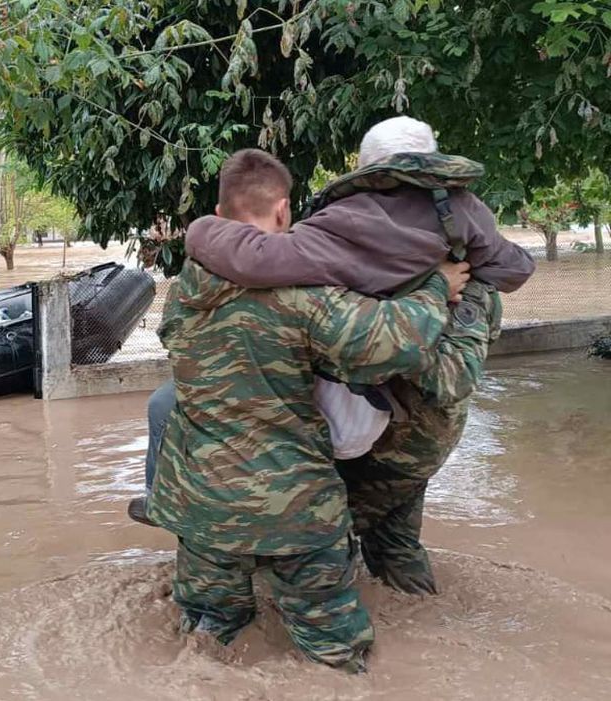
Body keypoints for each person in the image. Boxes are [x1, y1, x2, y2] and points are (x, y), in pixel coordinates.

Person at [132, 116, 534, 596]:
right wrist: (441, 287)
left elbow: (266, 268)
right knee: (390, 540)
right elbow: (509, 279)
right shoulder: (473, 250)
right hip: (416, 430)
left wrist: (203, 231)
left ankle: (231, 554)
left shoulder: (336, 231)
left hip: (368, 425)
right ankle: (401, 601)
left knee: (313, 531)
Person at [146, 148, 478, 672]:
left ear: (219, 209)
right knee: (335, 655)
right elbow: (396, 343)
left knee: (208, 640)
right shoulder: (300, 295)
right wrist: (437, 284)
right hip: (293, 509)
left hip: (199, 504)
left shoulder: (183, 292)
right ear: (283, 211)